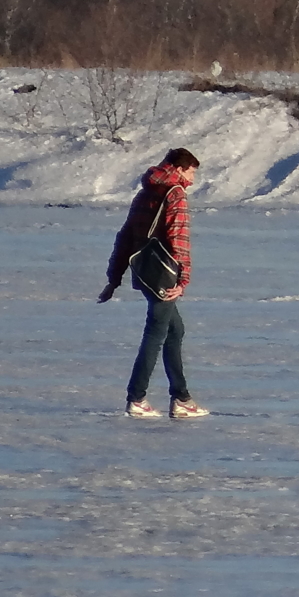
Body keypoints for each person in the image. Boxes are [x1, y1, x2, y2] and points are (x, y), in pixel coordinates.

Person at [98, 148, 211, 420]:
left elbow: (126, 235)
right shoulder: (175, 194)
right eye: (193, 170)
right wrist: (183, 279)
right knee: (156, 331)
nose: (194, 177)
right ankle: (137, 397)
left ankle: (181, 397)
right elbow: (179, 239)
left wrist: (115, 277)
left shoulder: (146, 191)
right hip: (165, 274)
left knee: (175, 329)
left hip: (145, 270)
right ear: (181, 168)